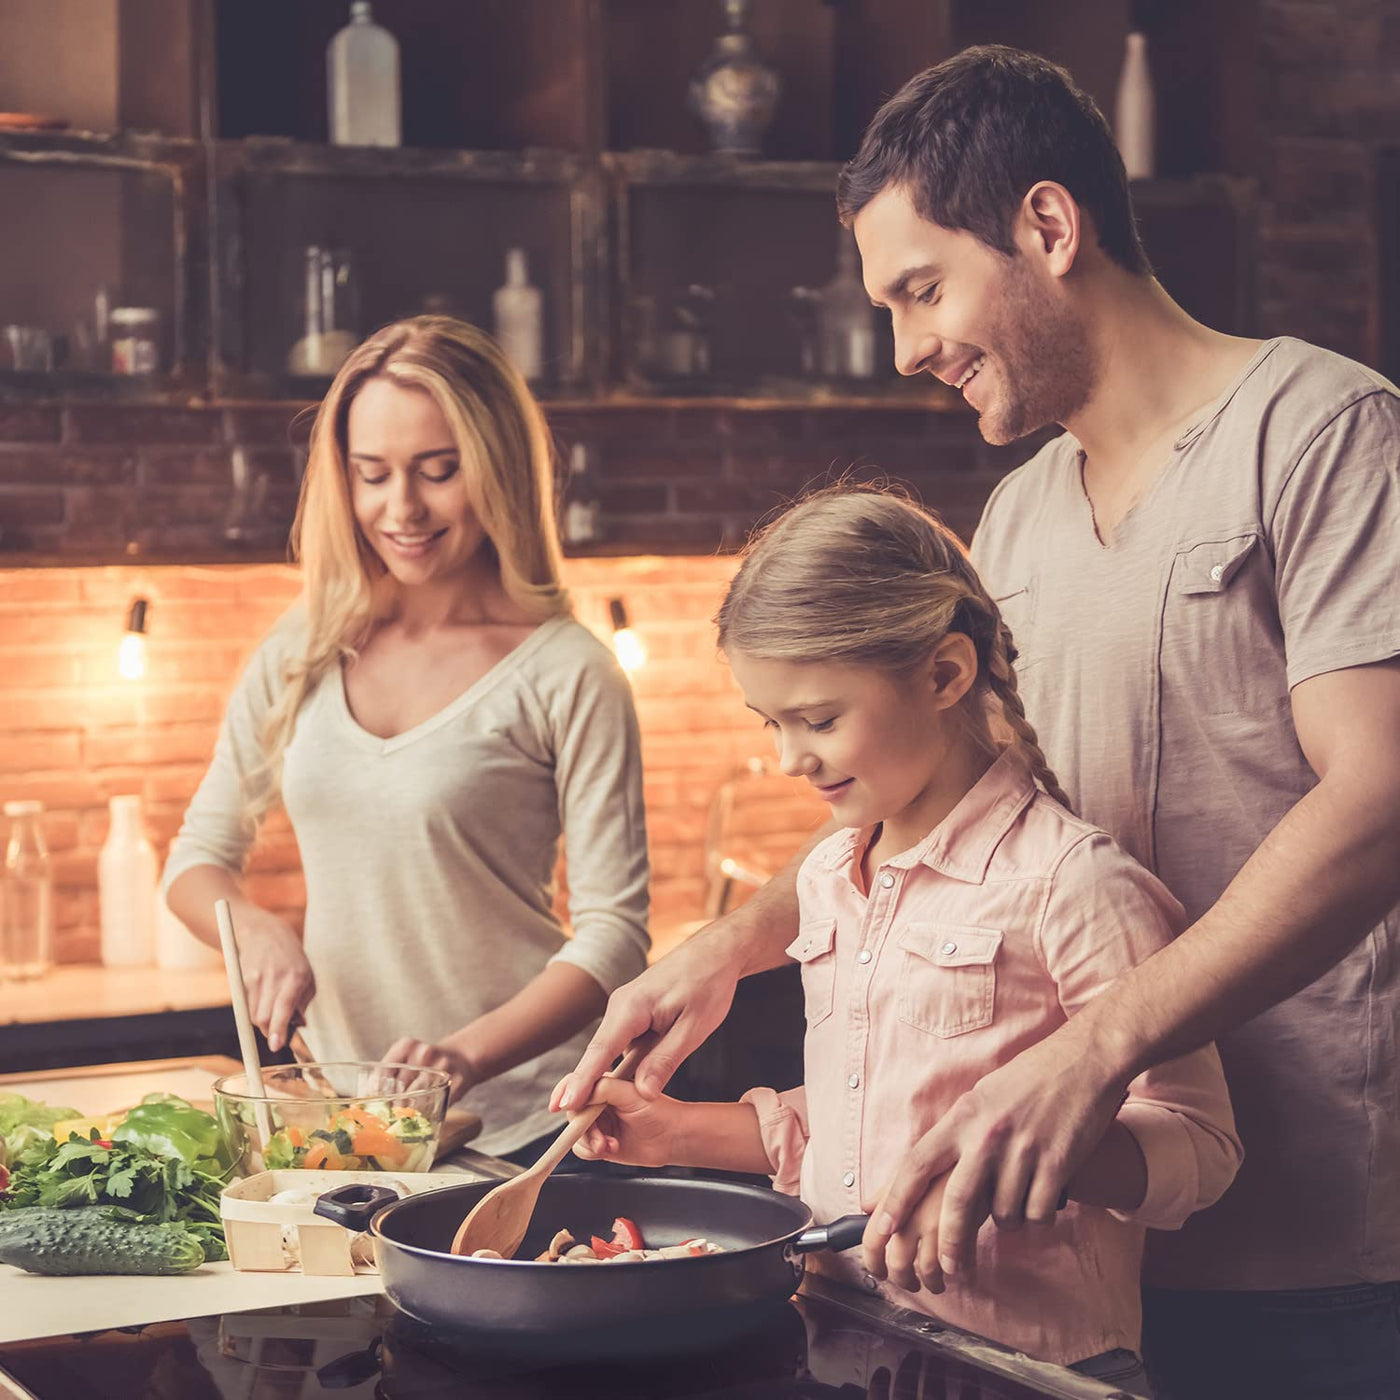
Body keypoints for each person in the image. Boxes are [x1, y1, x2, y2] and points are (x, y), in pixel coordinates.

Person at [557, 46, 1400, 1399]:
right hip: (1062, 1257)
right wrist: (731, 946)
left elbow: (1380, 800)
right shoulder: (1018, 516)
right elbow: (964, 818)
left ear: (1048, 228)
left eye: (924, 288)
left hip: (1310, 1251)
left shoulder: (1322, 433)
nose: (907, 347)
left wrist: (1096, 1049)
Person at [566, 488, 1240, 1389]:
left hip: (1036, 1368)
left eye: (819, 719)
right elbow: (856, 1125)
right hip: (846, 1340)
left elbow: (1201, 1148)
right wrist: (679, 1133)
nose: (788, 759)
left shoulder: (1072, 885)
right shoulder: (824, 883)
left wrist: (1037, 1150)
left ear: (944, 676)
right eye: (771, 722)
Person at [166, 316, 650, 1160]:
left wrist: (462, 1056)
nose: (403, 509)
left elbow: (615, 935)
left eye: (438, 471)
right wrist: (251, 928)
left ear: (495, 468)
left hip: (529, 1131)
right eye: (372, 475)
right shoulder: (302, 647)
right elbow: (195, 860)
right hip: (352, 1126)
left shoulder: (568, 671)